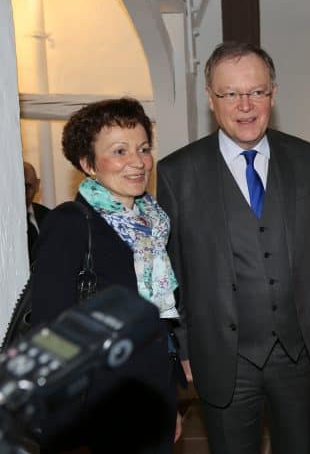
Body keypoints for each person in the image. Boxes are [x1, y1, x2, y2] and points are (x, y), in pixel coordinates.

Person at [156, 41, 310, 454]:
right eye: (230, 93)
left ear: (272, 94)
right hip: (224, 358)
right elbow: (172, 274)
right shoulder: (177, 172)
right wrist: (184, 351)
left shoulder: (304, 156)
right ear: (211, 99)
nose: (245, 105)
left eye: (256, 91)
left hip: (301, 352)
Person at [30, 98, 181, 453]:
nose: (138, 162)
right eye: (119, 151)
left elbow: (160, 325)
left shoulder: (152, 226)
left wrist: (169, 400)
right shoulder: (70, 223)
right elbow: (50, 331)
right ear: (88, 164)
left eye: (143, 149)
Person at [24, 161, 50, 263]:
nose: (23, 192)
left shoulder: (48, 215)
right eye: (19, 186)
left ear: (37, 185)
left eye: (27, 186)